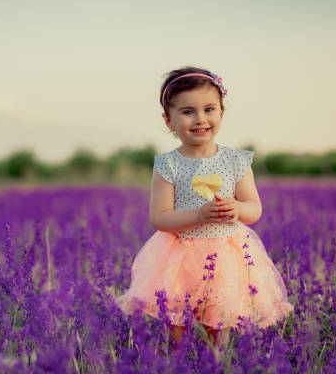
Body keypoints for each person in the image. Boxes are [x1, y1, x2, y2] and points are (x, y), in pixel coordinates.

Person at [115, 66, 294, 350]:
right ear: (169, 120)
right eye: (188, 112)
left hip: (226, 254)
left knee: (218, 318)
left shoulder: (236, 161)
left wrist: (237, 209)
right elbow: (159, 217)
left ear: (222, 112)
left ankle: (215, 361)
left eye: (209, 109)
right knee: (176, 318)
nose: (200, 119)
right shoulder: (168, 164)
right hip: (179, 253)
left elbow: (254, 209)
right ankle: (178, 360)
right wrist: (198, 215)